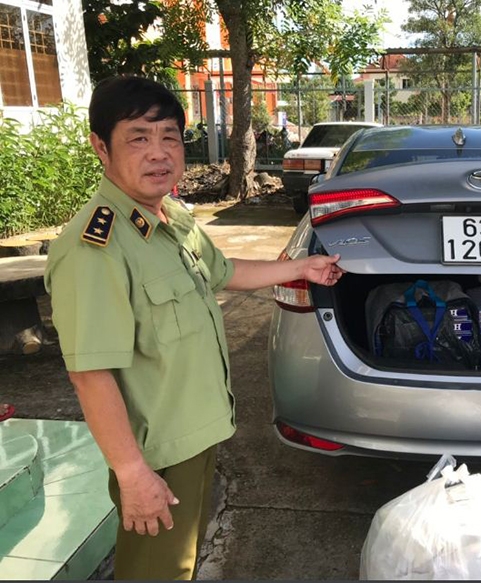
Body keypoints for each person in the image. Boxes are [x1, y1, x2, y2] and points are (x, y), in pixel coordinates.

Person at [43, 76, 344, 580]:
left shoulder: (170, 218)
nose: (159, 153)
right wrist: (133, 473)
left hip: (195, 437)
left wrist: (299, 269)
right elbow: (89, 375)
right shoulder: (94, 248)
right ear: (101, 146)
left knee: (180, 566)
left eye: (169, 137)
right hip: (155, 455)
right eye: (138, 138)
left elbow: (224, 272)